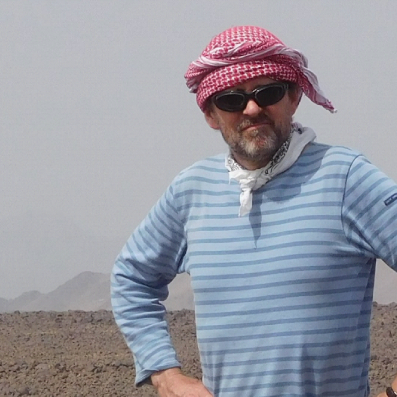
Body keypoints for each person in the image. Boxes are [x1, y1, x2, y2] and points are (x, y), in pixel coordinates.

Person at [111, 25, 397, 397]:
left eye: (268, 92)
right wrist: (167, 376)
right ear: (211, 115)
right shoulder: (191, 191)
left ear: (294, 98)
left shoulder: (345, 178)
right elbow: (132, 278)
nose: (252, 108)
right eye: (231, 99)